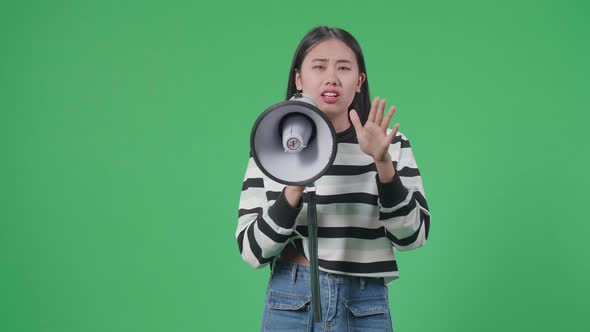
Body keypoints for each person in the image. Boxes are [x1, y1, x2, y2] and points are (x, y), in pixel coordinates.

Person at [236, 26, 431, 332]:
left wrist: (382, 163)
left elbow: (412, 237)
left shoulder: (390, 143)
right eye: (318, 66)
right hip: (292, 299)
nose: (331, 78)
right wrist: (295, 179)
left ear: (359, 81)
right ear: (299, 78)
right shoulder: (272, 146)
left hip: (364, 303)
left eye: (343, 68)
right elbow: (253, 252)